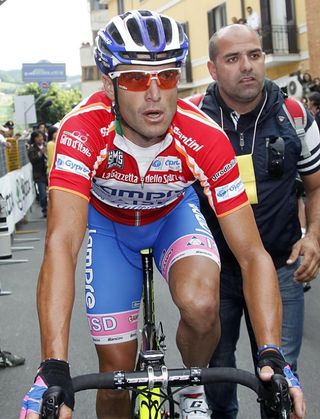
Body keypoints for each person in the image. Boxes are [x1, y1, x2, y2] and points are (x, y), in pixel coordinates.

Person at [20, 10, 305, 419]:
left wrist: (273, 356)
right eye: (136, 79)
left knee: (203, 303)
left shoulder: (204, 135)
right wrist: (53, 366)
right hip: (111, 231)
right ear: (108, 84)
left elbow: (252, 255)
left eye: (167, 77)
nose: (154, 94)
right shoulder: (82, 130)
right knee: (115, 376)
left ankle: (192, 386)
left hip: (172, 219)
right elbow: (62, 242)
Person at [192, 23, 320, 419]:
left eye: (254, 55)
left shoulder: (295, 114)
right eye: (233, 59)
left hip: (280, 267)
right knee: (217, 379)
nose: (246, 66)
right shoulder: (193, 118)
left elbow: (316, 187)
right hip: (214, 272)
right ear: (213, 69)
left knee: (280, 381)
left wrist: (314, 236)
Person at [27, 130, 48, 218]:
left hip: (49, 173)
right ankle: (44, 209)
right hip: (39, 175)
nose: (40, 138)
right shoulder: (32, 149)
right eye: (38, 137)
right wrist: (40, 153)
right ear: (34, 139)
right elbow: (33, 160)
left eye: (41, 136)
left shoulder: (48, 145)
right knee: (42, 194)